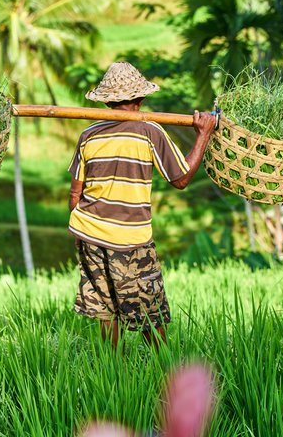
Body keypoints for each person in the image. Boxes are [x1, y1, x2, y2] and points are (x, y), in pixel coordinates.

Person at [68, 62, 217, 349]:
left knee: (106, 309)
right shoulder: (149, 131)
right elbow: (181, 178)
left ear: (108, 100)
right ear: (140, 99)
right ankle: (160, 369)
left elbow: (75, 193)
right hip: (130, 239)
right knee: (151, 310)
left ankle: (114, 371)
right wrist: (204, 135)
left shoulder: (88, 135)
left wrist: (80, 230)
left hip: (88, 232)